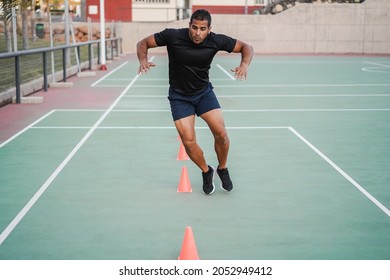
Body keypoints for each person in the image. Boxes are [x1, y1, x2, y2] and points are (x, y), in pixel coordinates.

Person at [136, 9, 253, 195]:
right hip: (179, 96)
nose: (197, 33)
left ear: (209, 29)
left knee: (221, 134)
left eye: (202, 29)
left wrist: (244, 64)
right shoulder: (172, 35)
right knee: (189, 142)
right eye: (194, 27)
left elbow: (247, 47)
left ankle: (222, 168)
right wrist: (143, 60)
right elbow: (143, 43)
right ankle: (207, 171)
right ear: (189, 25)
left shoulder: (216, 40)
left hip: (203, 94)